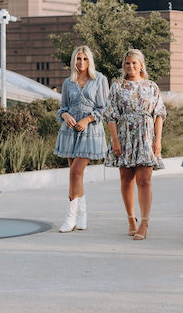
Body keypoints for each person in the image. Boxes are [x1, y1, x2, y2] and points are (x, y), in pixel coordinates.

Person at [104, 49, 166, 241]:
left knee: (145, 180)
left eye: (134, 63)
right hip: (124, 136)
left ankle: (144, 222)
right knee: (126, 179)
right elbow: (110, 114)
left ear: (141, 65)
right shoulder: (117, 86)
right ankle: (131, 218)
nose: (130, 67)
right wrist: (115, 140)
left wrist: (158, 140)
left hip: (146, 136)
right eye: (127, 63)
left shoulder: (151, 86)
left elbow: (159, 114)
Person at [54, 45, 109, 233]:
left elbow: (105, 108)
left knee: (75, 173)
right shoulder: (68, 82)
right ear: (73, 60)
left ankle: (70, 218)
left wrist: (86, 119)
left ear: (90, 60)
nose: (81, 63)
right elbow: (62, 108)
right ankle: (82, 215)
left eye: (85, 59)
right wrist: (65, 116)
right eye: (78, 59)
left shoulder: (100, 79)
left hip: (90, 131)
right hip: (70, 132)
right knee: (76, 176)